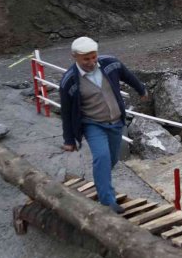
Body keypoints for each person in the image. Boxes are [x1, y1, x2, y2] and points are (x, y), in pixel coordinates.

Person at [59, 37, 148, 214]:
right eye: (86, 59)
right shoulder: (69, 81)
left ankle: (102, 182)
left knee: (113, 159)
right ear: (74, 56)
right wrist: (69, 139)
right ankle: (107, 200)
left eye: (94, 57)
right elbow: (67, 113)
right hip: (93, 124)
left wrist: (141, 89)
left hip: (115, 121)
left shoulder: (110, 63)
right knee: (101, 157)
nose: (92, 62)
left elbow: (128, 75)